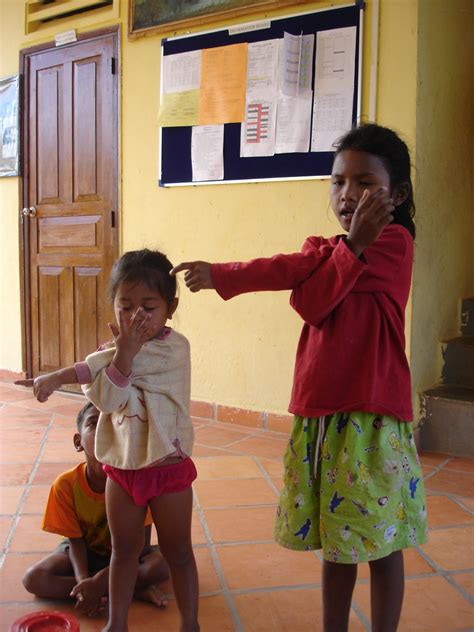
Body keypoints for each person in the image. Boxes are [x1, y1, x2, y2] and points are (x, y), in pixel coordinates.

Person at [171, 123, 427, 632]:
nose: (348, 194)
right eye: (337, 182)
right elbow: (288, 270)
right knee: (338, 541)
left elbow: (311, 300)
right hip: (324, 417)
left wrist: (347, 252)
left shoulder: (393, 245)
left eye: (364, 183)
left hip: (372, 419)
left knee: (382, 541)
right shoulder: (330, 249)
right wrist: (222, 273)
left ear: (396, 195)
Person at [17, 249, 199, 632]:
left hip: (168, 466)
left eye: (149, 306)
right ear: (113, 306)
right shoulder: (113, 351)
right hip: (122, 467)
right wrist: (54, 378)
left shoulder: (174, 349)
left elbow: (104, 373)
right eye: (126, 305)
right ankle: (117, 624)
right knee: (124, 552)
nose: (137, 317)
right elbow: (105, 397)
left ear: (171, 306)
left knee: (179, 553)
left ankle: (190, 624)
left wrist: (124, 355)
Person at [22, 401, 169, 617]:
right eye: (93, 423)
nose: (103, 429)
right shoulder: (65, 485)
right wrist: (84, 581)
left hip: (128, 553)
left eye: (111, 424)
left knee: (161, 565)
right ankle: (128, 588)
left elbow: (140, 546)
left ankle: (106, 586)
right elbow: (75, 542)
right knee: (33, 579)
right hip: (85, 551)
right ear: (78, 441)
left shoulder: (136, 482)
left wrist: (98, 581)